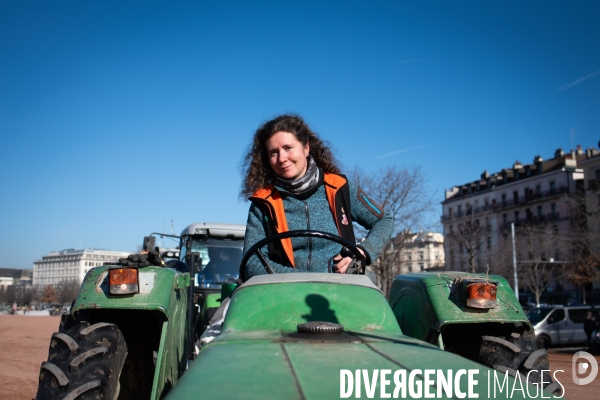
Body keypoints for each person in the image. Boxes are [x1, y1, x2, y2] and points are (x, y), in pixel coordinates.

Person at [241, 114, 394, 279]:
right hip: (284, 291)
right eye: (273, 152)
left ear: (306, 148)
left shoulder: (339, 187)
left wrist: (362, 253)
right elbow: (252, 262)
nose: (282, 158)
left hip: (341, 287)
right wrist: (305, 280)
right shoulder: (263, 203)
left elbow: (383, 221)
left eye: (288, 148)